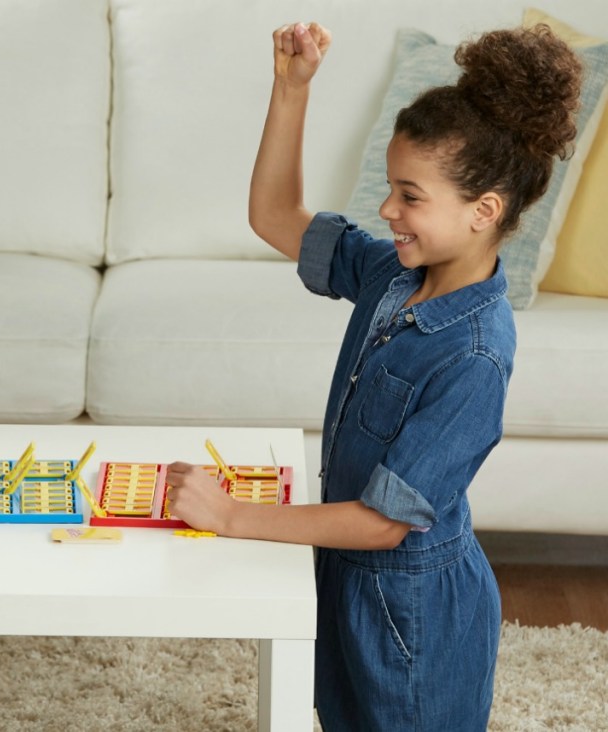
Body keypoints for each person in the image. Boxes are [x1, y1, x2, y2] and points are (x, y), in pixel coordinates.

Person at [166, 21, 582, 731]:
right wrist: (291, 90)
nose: (387, 209)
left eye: (410, 196)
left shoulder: (475, 354)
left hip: (414, 620)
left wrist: (234, 516)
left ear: (484, 212)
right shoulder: (395, 275)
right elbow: (274, 217)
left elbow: (386, 524)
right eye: (392, 188)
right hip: (352, 582)